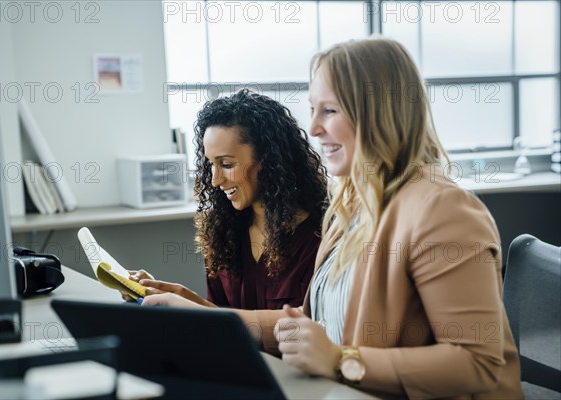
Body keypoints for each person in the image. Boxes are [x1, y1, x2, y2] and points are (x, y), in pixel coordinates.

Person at [143, 38, 523, 398]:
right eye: (312, 109)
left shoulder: (443, 210)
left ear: (378, 113)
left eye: (330, 110)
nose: (313, 128)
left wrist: (343, 361)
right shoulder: (350, 208)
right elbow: (309, 329)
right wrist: (199, 316)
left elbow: (478, 363)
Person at [124, 89, 328, 310]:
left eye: (227, 165)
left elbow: (310, 326)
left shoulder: (318, 238)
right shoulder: (223, 232)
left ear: (268, 161)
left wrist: (190, 305)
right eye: (211, 164)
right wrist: (173, 296)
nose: (215, 180)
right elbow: (222, 318)